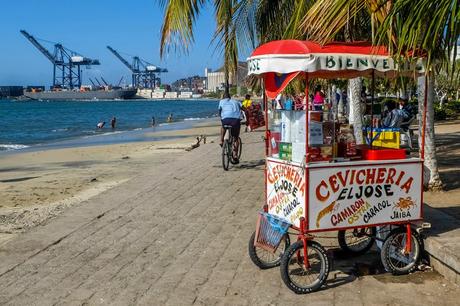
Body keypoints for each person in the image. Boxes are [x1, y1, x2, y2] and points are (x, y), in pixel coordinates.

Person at [218, 92, 242, 162]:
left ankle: (221, 140)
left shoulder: (221, 101)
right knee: (236, 138)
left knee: (223, 126)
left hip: (225, 120)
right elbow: (244, 109)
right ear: (230, 97)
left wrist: (222, 118)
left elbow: (219, 111)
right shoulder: (236, 101)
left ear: (223, 97)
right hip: (235, 121)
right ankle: (235, 154)